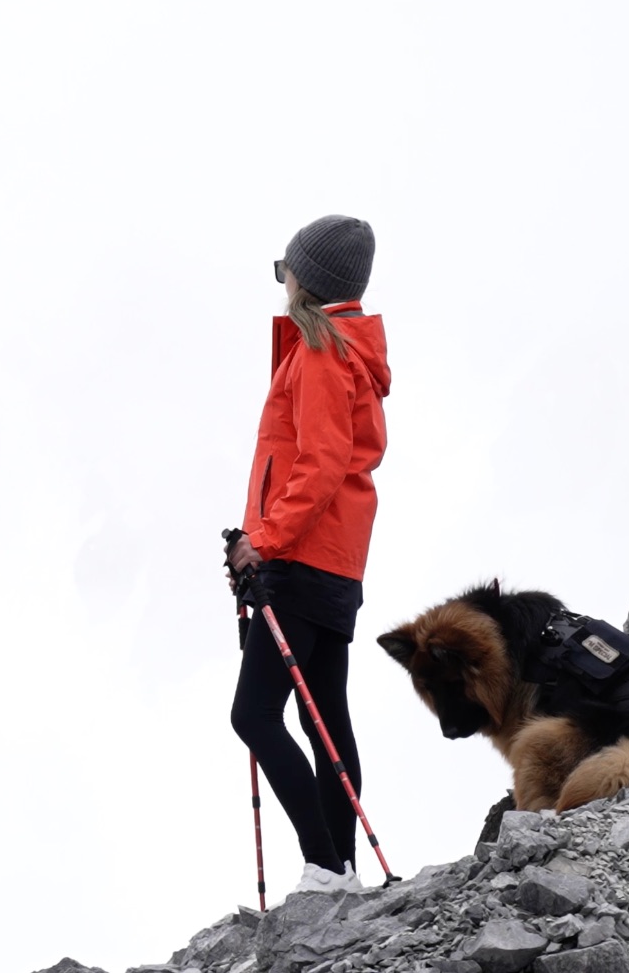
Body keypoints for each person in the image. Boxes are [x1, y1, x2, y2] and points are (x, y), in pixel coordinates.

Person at [224, 214, 391, 897]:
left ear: (308, 281)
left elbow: (316, 467)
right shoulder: (349, 348)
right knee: (326, 713)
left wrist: (259, 542)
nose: (283, 281)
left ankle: (324, 864)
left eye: (287, 270)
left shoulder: (321, 352)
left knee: (254, 714)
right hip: (335, 563)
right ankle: (342, 866)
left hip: (299, 560)